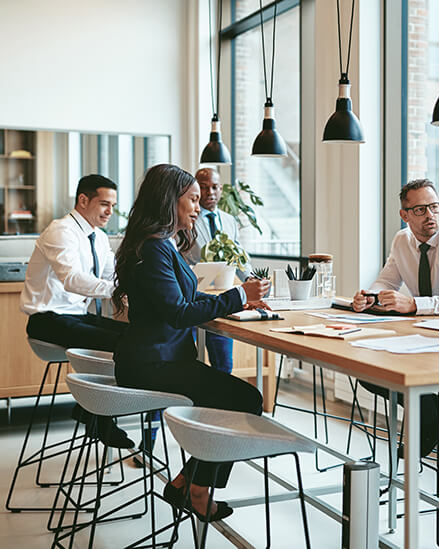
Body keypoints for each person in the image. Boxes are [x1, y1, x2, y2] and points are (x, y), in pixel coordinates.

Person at [112, 164, 269, 521]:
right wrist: (238, 295)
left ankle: (189, 482)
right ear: (171, 202)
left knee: (233, 399)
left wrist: (240, 299)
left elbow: (184, 298)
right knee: (244, 398)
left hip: (158, 359)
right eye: (193, 199)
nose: (199, 207)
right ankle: (196, 487)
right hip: (153, 364)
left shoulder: (158, 245)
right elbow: (178, 313)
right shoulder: (155, 249)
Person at [351, 178, 439, 457]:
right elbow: (386, 282)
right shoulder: (402, 241)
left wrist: (414, 305)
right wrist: (369, 296)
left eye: (435, 207)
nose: (430, 215)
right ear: (404, 215)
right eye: (420, 210)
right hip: (425, 335)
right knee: (366, 368)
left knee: (396, 373)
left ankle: (432, 422)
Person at [20, 174, 132, 448]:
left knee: (136, 335)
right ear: (83, 200)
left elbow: (112, 278)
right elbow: (72, 279)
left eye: (113, 205)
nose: (110, 212)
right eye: (104, 204)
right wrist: (118, 292)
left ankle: (92, 409)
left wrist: (136, 291)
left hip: (76, 317)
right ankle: (99, 412)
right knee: (123, 343)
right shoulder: (61, 231)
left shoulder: (101, 238)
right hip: (46, 320)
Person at [182, 167, 252, 374]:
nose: (210, 192)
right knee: (187, 359)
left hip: (222, 297)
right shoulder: (186, 218)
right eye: (204, 188)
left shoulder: (229, 220)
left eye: (214, 187)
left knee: (223, 364)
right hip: (192, 297)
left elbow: (238, 255)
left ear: (221, 189)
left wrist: (250, 279)